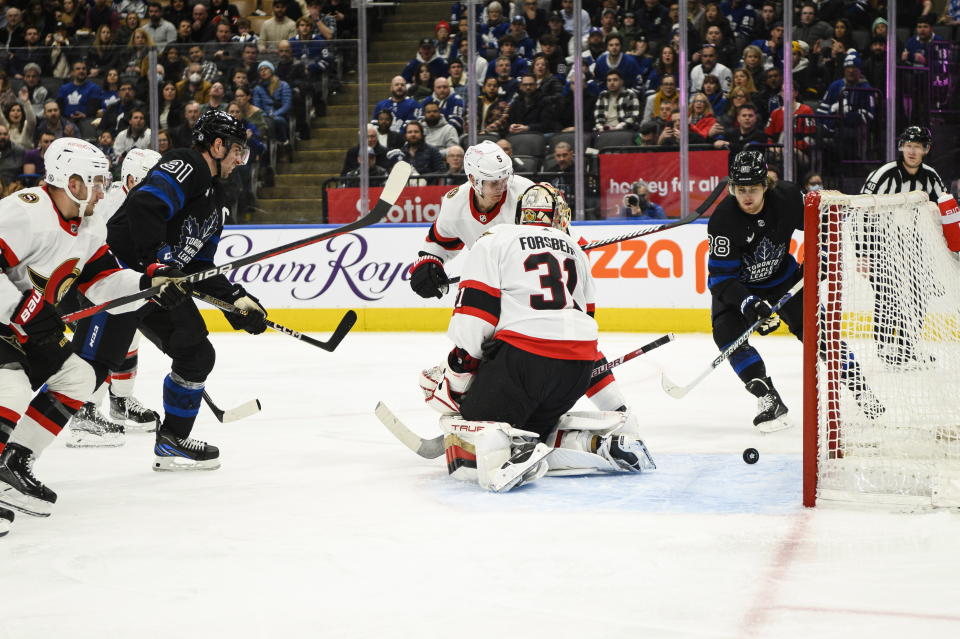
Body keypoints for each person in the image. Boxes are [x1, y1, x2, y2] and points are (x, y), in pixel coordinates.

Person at [418, 182, 654, 492]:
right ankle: (597, 442)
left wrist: (459, 375)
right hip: (574, 371)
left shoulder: (495, 238)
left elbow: (475, 317)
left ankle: (506, 452)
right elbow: (584, 327)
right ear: (561, 217)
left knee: (445, 400)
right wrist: (618, 406)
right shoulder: (576, 251)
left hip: (521, 364)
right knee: (536, 428)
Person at [0, 138, 188, 521]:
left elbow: (103, 281)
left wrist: (147, 287)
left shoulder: (89, 227)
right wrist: (21, 307)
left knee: (78, 377)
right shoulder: (25, 211)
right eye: (98, 181)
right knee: (12, 388)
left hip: (25, 329)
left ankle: (12, 464)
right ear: (71, 181)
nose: (104, 191)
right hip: (6, 322)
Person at [70, 111, 264, 474]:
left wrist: (235, 299)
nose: (241, 159)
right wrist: (159, 263)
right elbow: (147, 207)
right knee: (87, 375)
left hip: (160, 285)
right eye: (238, 149)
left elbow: (198, 264)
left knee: (196, 353)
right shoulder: (186, 164)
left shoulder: (218, 197)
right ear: (217, 145)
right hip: (123, 276)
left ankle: (171, 440)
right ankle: (17, 446)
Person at [707, 151, 883, 431]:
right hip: (742, 287)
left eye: (753, 188)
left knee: (819, 333)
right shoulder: (724, 220)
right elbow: (720, 280)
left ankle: (860, 389)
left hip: (783, 279)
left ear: (766, 185)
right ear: (732, 188)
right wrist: (750, 304)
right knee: (726, 335)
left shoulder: (788, 198)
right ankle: (767, 396)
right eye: (741, 190)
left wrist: (823, 253)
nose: (747, 197)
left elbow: (825, 221)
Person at [68, 148, 164, 444]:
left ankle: (121, 401)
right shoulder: (107, 203)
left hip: (123, 284)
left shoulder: (149, 205)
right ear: (132, 179)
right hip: (90, 285)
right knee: (98, 345)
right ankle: (85, 410)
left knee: (128, 338)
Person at [859, 126, 946, 368]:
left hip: (915, 247)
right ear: (901, 147)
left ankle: (908, 345)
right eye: (908, 145)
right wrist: (862, 253)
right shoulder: (884, 175)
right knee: (888, 294)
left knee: (919, 294)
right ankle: (887, 346)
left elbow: (946, 207)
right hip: (880, 245)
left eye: (917, 146)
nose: (912, 150)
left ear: (926, 150)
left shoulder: (930, 177)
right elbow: (860, 211)